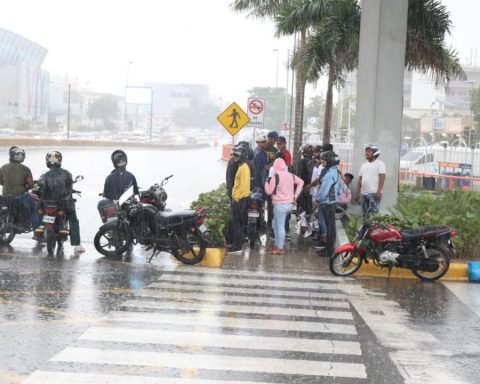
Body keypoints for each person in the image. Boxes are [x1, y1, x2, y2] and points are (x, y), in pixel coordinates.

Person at [36, 151, 85, 253]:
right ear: (60, 161)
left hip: (47, 203)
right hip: (63, 203)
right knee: (73, 219)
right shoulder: (67, 174)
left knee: (39, 210)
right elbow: (69, 189)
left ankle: (40, 226)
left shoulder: (44, 175)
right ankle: (77, 245)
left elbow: (41, 189)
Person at [264, 158, 304, 255]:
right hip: (289, 205)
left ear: (276, 166)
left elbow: (269, 191)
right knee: (275, 224)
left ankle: (280, 248)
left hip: (279, 205)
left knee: (279, 226)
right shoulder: (291, 175)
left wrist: (266, 182)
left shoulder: (275, 177)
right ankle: (277, 245)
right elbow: (301, 182)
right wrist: (295, 195)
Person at [0, 147, 40, 236]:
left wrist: (8, 185)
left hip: (5, 196)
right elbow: (30, 185)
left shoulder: (3, 167)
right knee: (34, 210)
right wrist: (25, 188)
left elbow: (1, 181)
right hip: (20, 196)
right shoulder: (25, 169)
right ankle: (38, 233)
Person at [315, 151, 340, 257]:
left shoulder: (329, 174)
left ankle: (329, 251)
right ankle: (329, 249)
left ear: (328, 161)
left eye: (323, 160)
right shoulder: (336, 172)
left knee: (329, 228)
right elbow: (340, 189)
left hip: (327, 204)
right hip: (332, 202)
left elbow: (323, 191)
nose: (321, 161)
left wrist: (317, 199)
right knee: (330, 227)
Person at [227, 146, 251, 254]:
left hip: (240, 200)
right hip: (239, 199)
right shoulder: (241, 166)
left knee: (237, 223)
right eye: (234, 155)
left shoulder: (244, 167)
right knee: (237, 223)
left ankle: (237, 246)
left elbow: (245, 187)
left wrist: (237, 197)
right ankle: (237, 244)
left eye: (237, 155)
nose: (235, 157)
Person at [355, 144, 386, 218]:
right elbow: (360, 179)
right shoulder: (363, 165)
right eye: (366, 151)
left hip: (374, 193)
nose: (366, 153)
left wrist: (379, 191)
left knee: (373, 215)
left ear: (375, 153)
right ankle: (366, 229)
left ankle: (373, 229)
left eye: (369, 151)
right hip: (363, 193)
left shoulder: (380, 164)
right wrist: (357, 193)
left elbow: (382, 178)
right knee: (364, 214)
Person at [295, 144, 314, 215]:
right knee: (309, 208)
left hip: (303, 187)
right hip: (312, 187)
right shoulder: (315, 161)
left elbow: (299, 176)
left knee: (302, 208)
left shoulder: (302, 162)